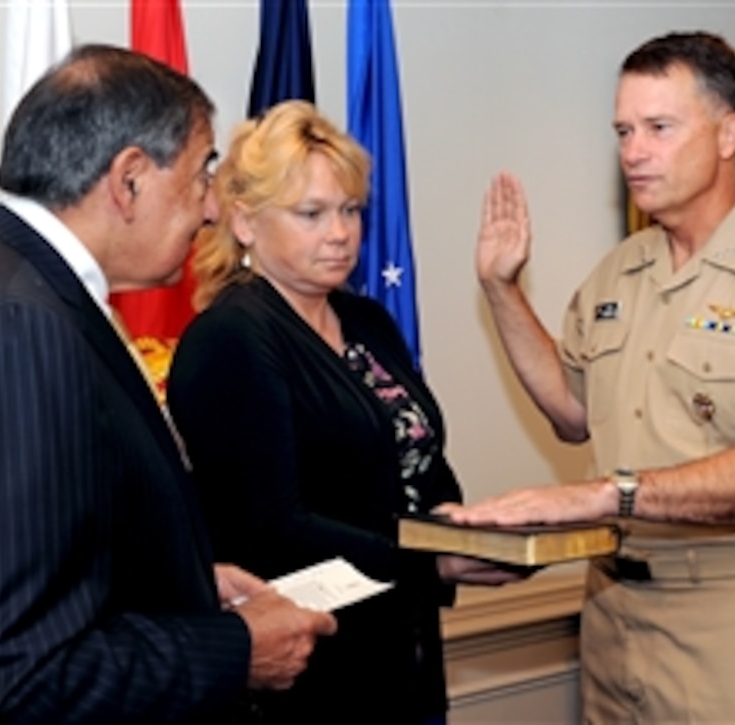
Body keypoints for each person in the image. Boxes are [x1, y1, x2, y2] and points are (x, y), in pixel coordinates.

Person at [0, 45, 336, 724]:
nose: (212, 209)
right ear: (128, 180)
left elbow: (24, 557)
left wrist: (177, 584)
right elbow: (12, 681)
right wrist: (234, 648)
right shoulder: (15, 327)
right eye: (200, 174)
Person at [447, 31, 735, 722]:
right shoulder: (621, 270)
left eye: (658, 128)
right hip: (614, 612)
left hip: (731, 622)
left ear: (728, 132)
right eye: (623, 130)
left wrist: (602, 496)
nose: (633, 152)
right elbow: (571, 409)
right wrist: (501, 290)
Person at [167, 100, 522, 724]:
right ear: (245, 223)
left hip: (401, 648)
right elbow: (269, 527)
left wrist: (468, 529)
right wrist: (429, 558)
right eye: (312, 214)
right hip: (308, 673)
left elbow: (414, 457)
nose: (340, 233)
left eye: (350, 210)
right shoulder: (232, 336)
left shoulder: (366, 320)